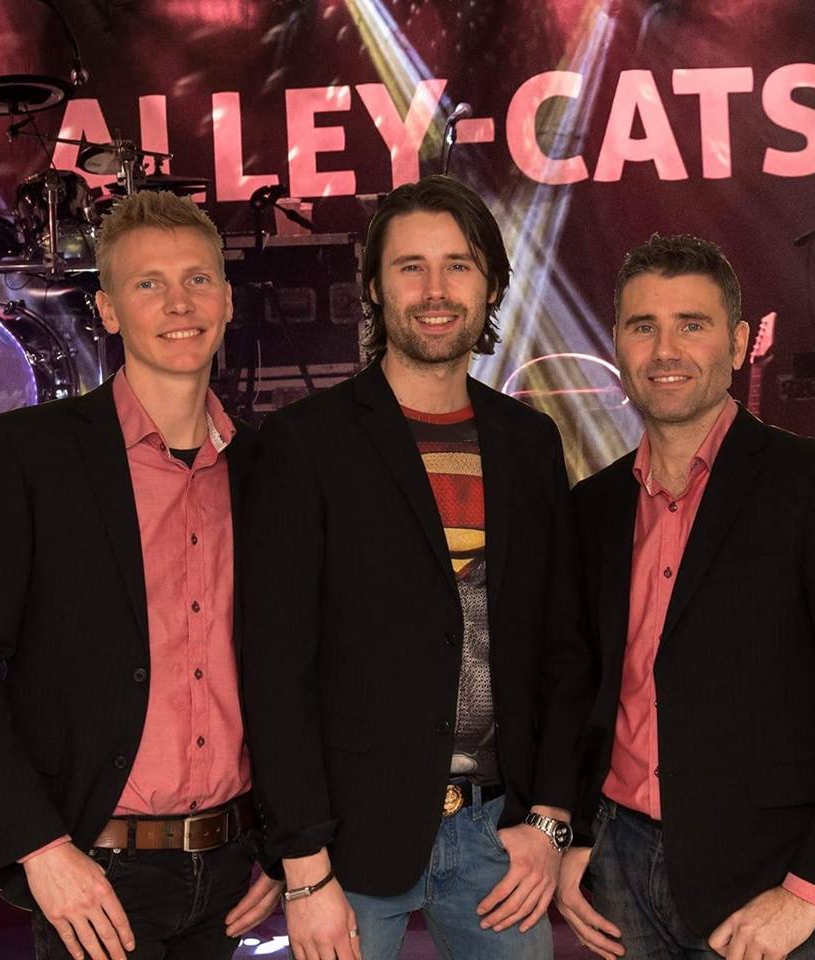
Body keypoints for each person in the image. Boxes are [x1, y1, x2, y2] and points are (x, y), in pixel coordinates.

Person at [244, 174, 591, 960]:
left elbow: (564, 650)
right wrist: (303, 864)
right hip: (349, 846)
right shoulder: (306, 443)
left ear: (491, 284)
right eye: (411, 266)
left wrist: (549, 817)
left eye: (458, 265)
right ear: (373, 285)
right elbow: (275, 671)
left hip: (500, 837)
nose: (435, 291)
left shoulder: (529, 443)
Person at [0, 190, 282, 960]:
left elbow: (286, 667)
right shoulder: (28, 454)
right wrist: (40, 849)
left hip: (232, 871)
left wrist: (284, 843)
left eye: (197, 279)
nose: (178, 303)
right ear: (109, 310)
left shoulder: (265, 467)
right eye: (148, 283)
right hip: (94, 872)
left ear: (227, 301)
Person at [556, 233, 815, 960]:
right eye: (643, 326)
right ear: (616, 344)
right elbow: (586, 691)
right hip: (617, 866)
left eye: (692, 324)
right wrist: (575, 835)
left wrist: (813, 890)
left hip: (764, 878)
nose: (665, 350)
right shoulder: (593, 507)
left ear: (738, 344)